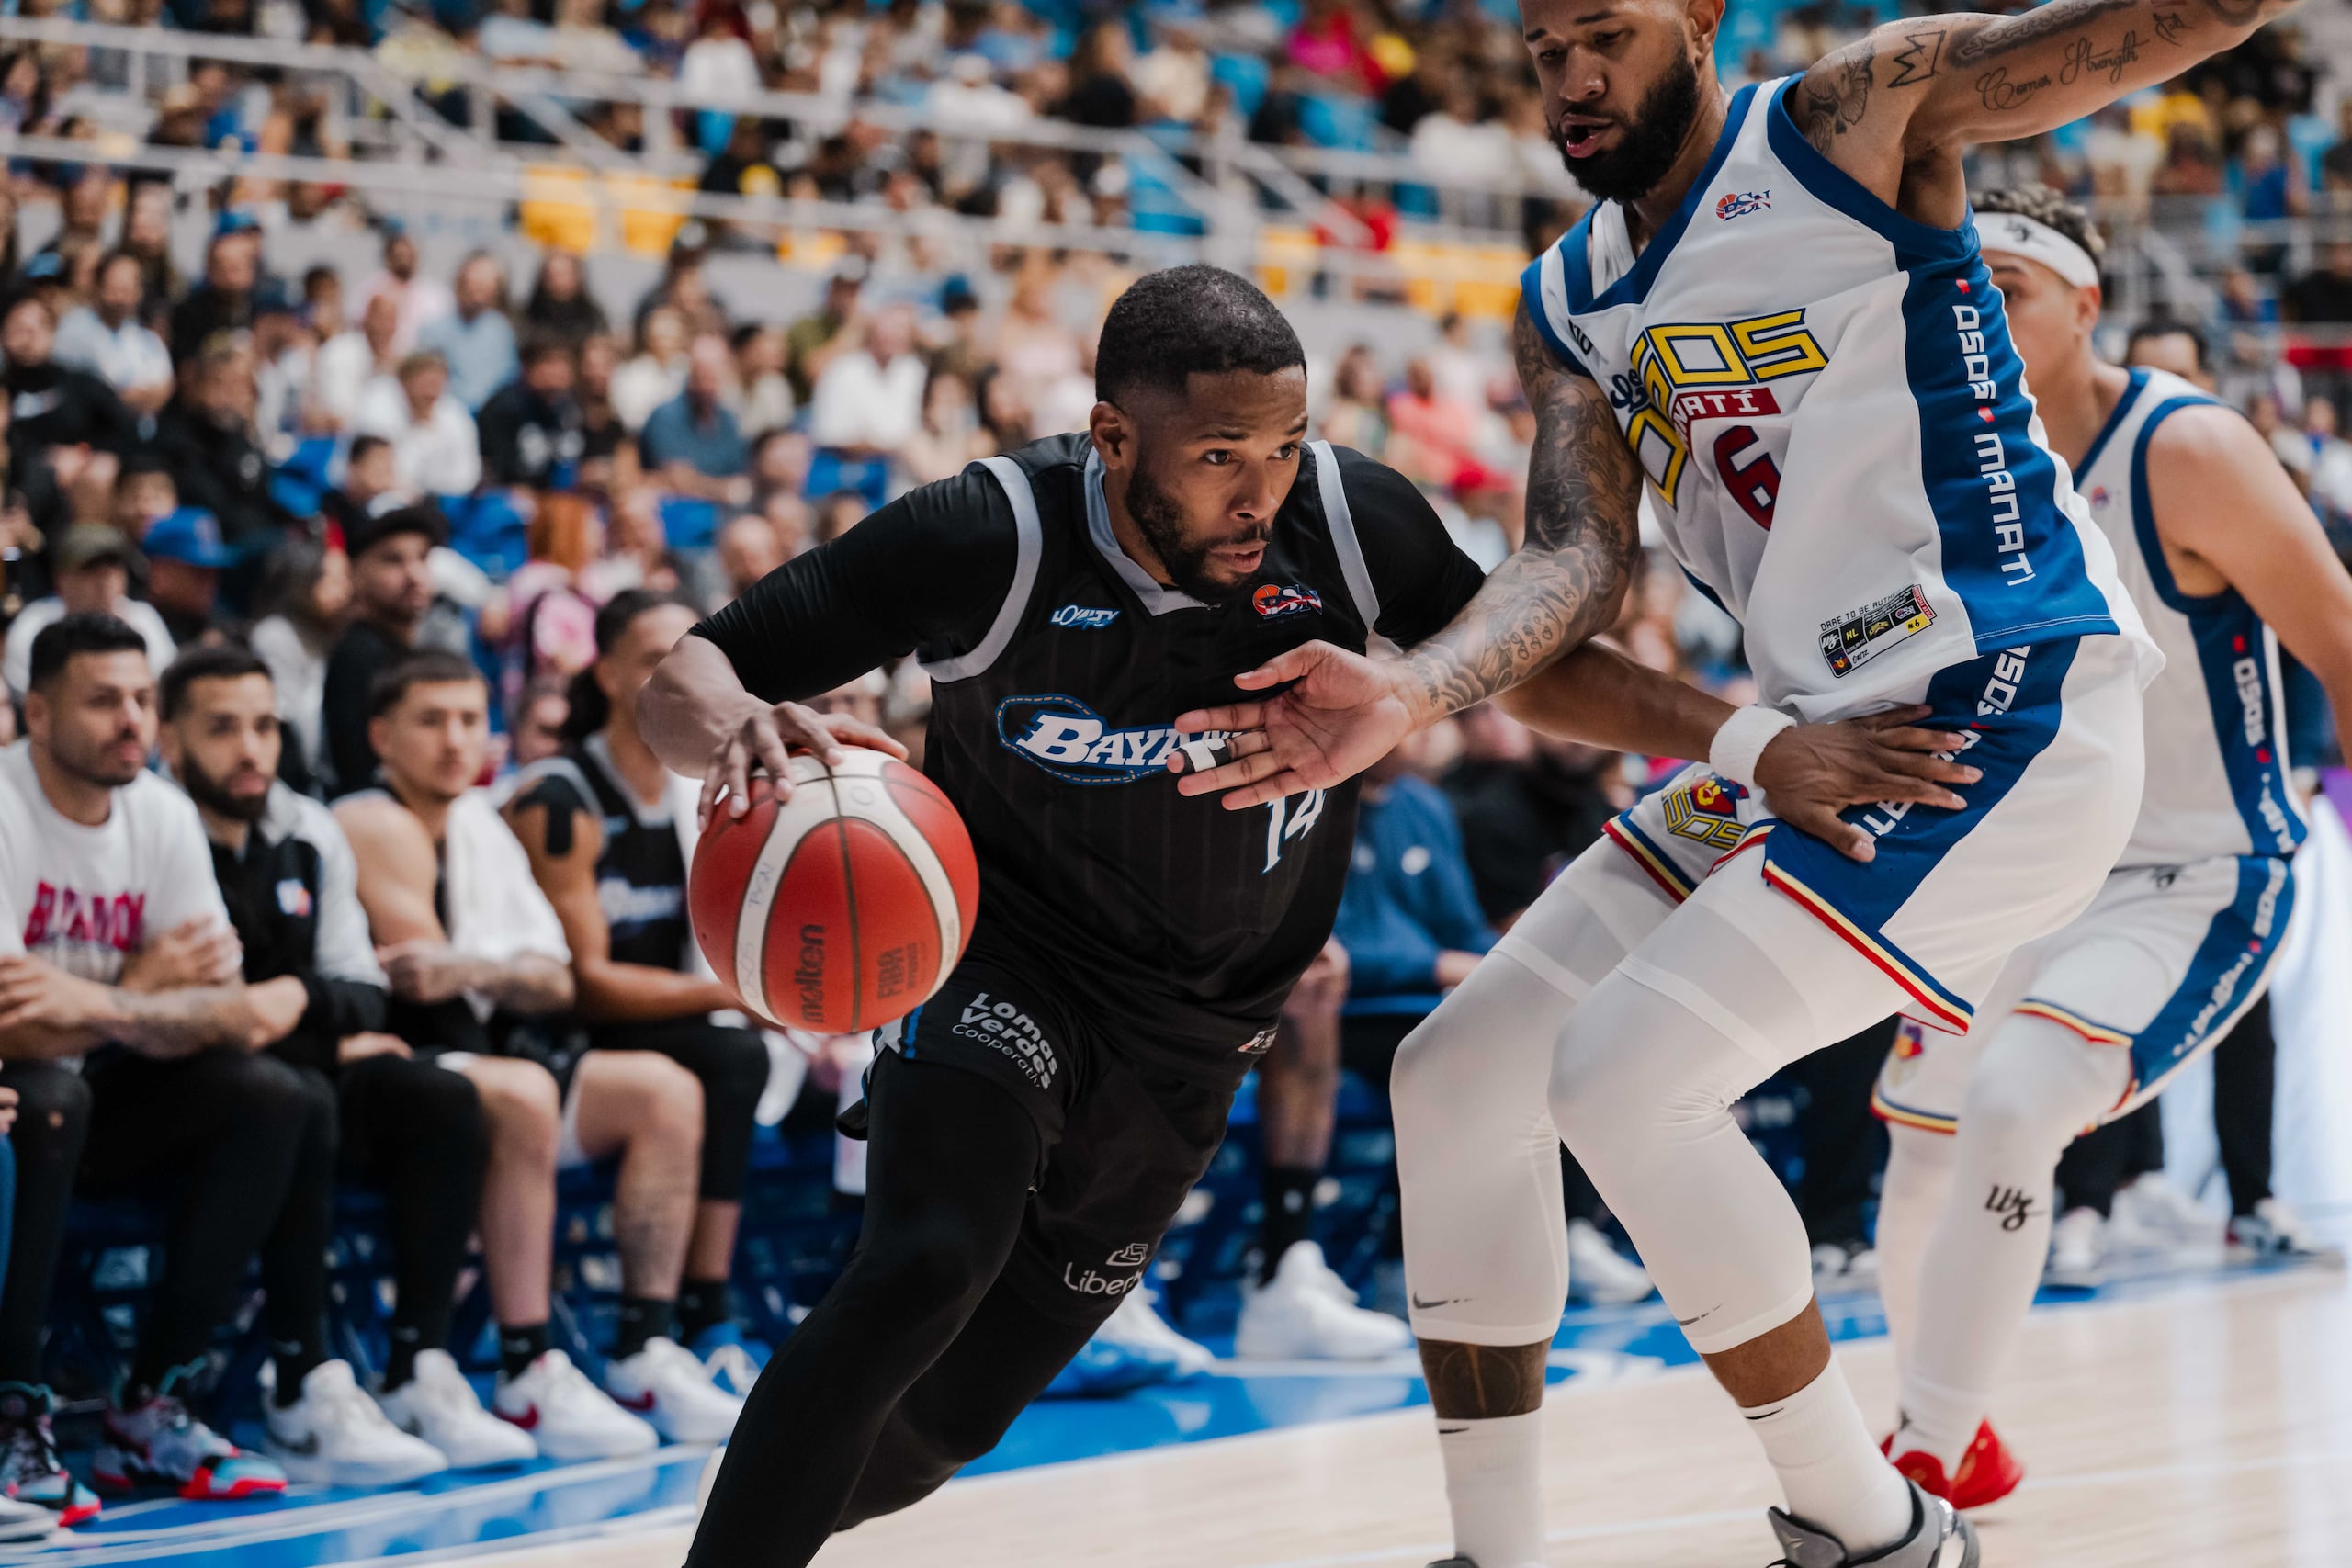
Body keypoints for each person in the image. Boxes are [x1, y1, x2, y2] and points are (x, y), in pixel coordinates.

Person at [1164, 0, 2301, 1558]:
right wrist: (1423, 688)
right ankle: (1496, 1547)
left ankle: (1874, 1522)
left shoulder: (1848, 121)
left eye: (1606, 35)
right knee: (1457, 1075)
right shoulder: (1566, 297)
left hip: (2004, 702)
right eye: (1543, 45)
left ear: (1698, 17)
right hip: (1810, 728)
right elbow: (1574, 565)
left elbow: (2133, 36)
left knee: (1624, 1075)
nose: (1571, 77)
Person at [641, 265, 1496, 1564]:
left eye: (1282, 445)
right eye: (1219, 454)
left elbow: (1536, 642)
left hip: (1202, 1031)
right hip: (1007, 955)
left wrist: (1740, 740)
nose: (1259, 487)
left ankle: (766, 1513)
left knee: (948, 1420)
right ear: (1113, 436)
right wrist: (734, 726)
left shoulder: (1352, 523)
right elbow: (683, 676)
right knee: (928, 1258)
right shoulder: (991, 532)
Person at [1866, 186, 2352, 1510]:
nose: (1977, 314)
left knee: (2019, 1101)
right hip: (2014, 874)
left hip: (2195, 868)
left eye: (2009, 289)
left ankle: (1927, 1456)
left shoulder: (2185, 447)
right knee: (1919, 1138)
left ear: (2086, 304)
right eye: (1961, 290)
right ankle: (1939, 1419)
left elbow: (2341, 641)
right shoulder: (1935, 464)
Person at [335, 650, 739, 1449]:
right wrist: (499, 972)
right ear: (381, 735)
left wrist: (483, 969)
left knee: (667, 1090)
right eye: (431, 721)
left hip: (489, 1055)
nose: (457, 740)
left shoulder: (481, 824)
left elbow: (555, 978)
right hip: (395, 1074)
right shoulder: (367, 819)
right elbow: (423, 976)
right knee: (520, 1090)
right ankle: (525, 1362)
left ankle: (642, 1347)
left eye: (469, 719)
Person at [0, 615, 292, 1519]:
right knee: (46, 1099)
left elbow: (227, 1011)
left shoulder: (160, 812)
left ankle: (152, 1405)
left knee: (271, 1096)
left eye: (141, 699)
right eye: (102, 702)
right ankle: (15, 1419)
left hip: (111, 1094)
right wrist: (147, 991)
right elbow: (9, 1025)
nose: (131, 721)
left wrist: (95, 1002)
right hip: (31, 1106)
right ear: (37, 714)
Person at [152, 646, 460, 1483]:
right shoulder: (153, 825)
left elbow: (362, 989)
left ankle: (415, 1368)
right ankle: (299, 1380)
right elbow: (205, 1016)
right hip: (159, 1089)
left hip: (280, 1077)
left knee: (439, 1095)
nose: (252, 748)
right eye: (222, 728)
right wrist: (318, 1024)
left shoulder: (306, 828)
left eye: (264, 726)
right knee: (294, 1096)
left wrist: (298, 1002)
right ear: (168, 739)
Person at [504, 591, 774, 1372]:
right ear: (612, 674)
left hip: (667, 1017)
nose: (679, 672)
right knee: (731, 1055)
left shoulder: (706, 786)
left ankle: (707, 1314)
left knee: (749, 1058)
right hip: (567, 1031)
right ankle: (696, 1310)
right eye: (658, 656)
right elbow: (587, 984)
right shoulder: (562, 797)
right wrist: (738, 995)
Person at [321, 505, 444, 795]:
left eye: (423, 558)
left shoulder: (403, 652)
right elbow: (360, 777)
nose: (414, 574)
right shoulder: (359, 656)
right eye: (393, 560)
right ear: (354, 572)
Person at [0, 525, 175, 696]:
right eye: (91, 569)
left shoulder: (144, 618)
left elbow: (166, 691)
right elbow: (22, 697)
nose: (104, 580)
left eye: (113, 567)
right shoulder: (34, 624)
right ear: (61, 579)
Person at [51, 250, 174, 423]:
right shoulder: (72, 330)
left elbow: (164, 388)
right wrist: (124, 397)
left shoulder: (145, 338)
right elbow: (79, 392)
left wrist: (127, 397)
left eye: (129, 289)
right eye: (115, 288)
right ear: (98, 286)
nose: (122, 297)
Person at [639, 333, 751, 507]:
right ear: (690, 373)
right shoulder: (665, 416)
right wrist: (723, 490)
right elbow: (676, 479)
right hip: (675, 513)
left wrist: (703, 485)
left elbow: (741, 480)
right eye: (702, 375)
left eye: (714, 376)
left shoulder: (728, 420)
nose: (707, 386)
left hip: (721, 516)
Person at [477, 335, 586, 493]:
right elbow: (500, 476)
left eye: (564, 362)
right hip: (508, 497)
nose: (558, 371)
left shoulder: (570, 407)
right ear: (527, 367)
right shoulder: (503, 408)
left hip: (558, 496)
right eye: (549, 362)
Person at [417, 253, 518, 412]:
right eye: (473, 283)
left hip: (493, 415)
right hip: (450, 413)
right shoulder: (435, 329)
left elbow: (509, 376)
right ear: (460, 283)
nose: (477, 291)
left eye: (484, 284)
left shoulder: (500, 328)